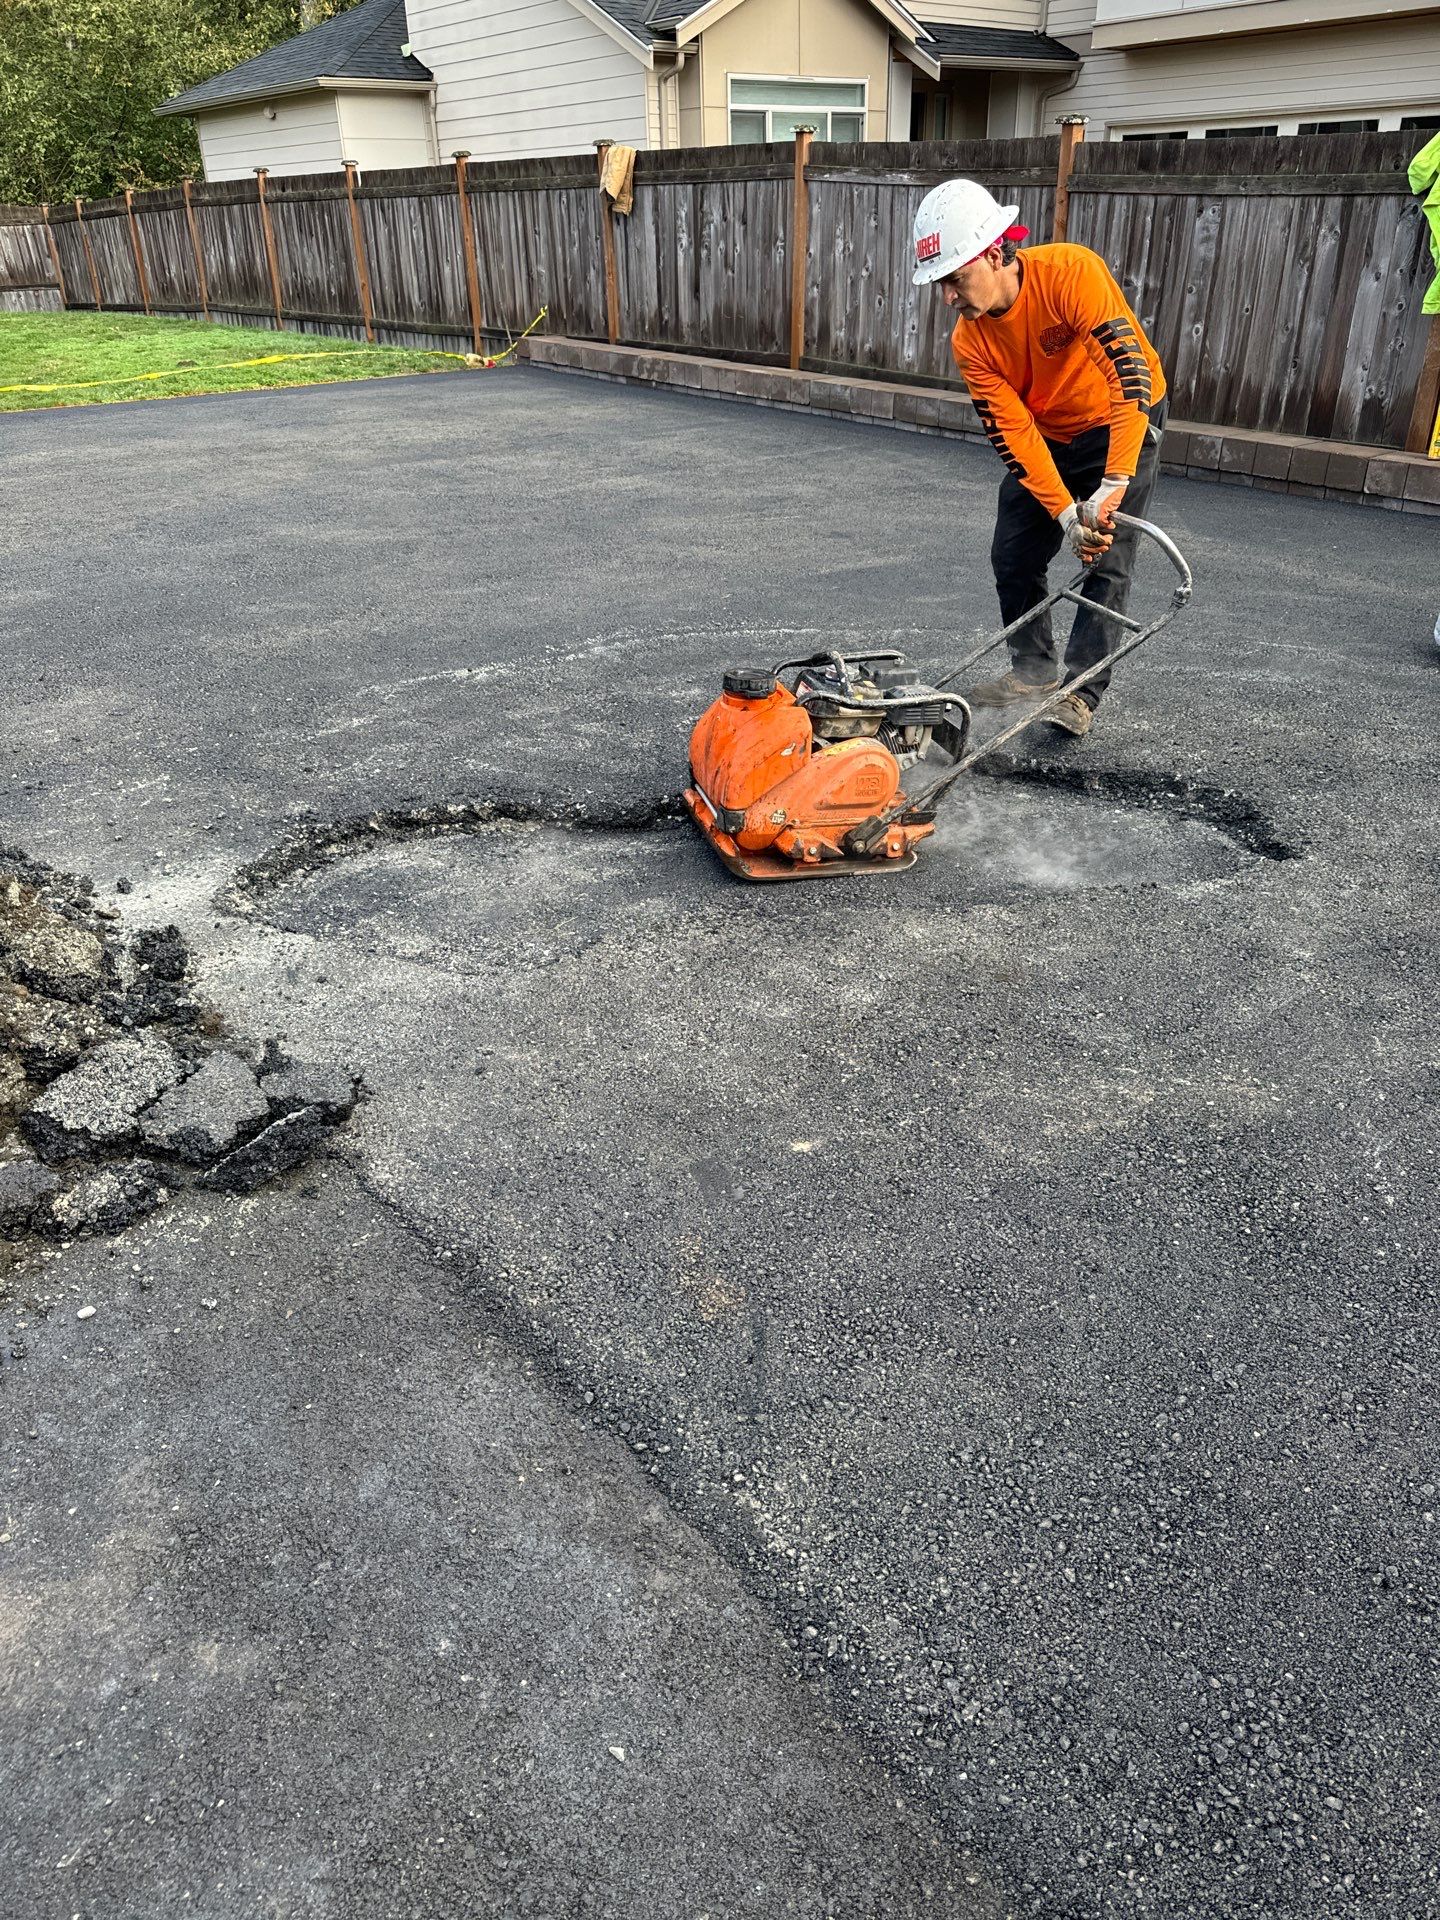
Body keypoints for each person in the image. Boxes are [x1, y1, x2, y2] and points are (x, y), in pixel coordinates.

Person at [912, 179, 1169, 737]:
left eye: (955, 279)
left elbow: (1130, 381)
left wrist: (1109, 487)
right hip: (1049, 430)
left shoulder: (1071, 274)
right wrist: (1061, 513)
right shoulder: (970, 341)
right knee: (1012, 554)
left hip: (1117, 419)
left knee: (1107, 555)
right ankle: (1033, 671)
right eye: (940, 285)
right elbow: (1013, 434)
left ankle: (1080, 692)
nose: (949, 298)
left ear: (996, 253)